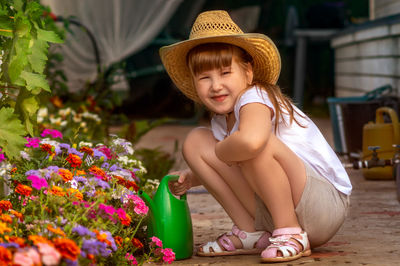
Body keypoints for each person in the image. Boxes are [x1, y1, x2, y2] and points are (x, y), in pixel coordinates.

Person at [159, 10, 351, 263]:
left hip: (323, 206)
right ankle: (250, 232)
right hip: (276, 209)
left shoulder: (255, 97)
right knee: (196, 141)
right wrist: (195, 176)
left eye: (225, 73)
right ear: (194, 84)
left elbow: (250, 143)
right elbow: (230, 156)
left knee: (251, 144)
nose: (215, 85)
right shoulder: (220, 122)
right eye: (205, 77)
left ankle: (290, 232)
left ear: (248, 72)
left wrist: (221, 153)